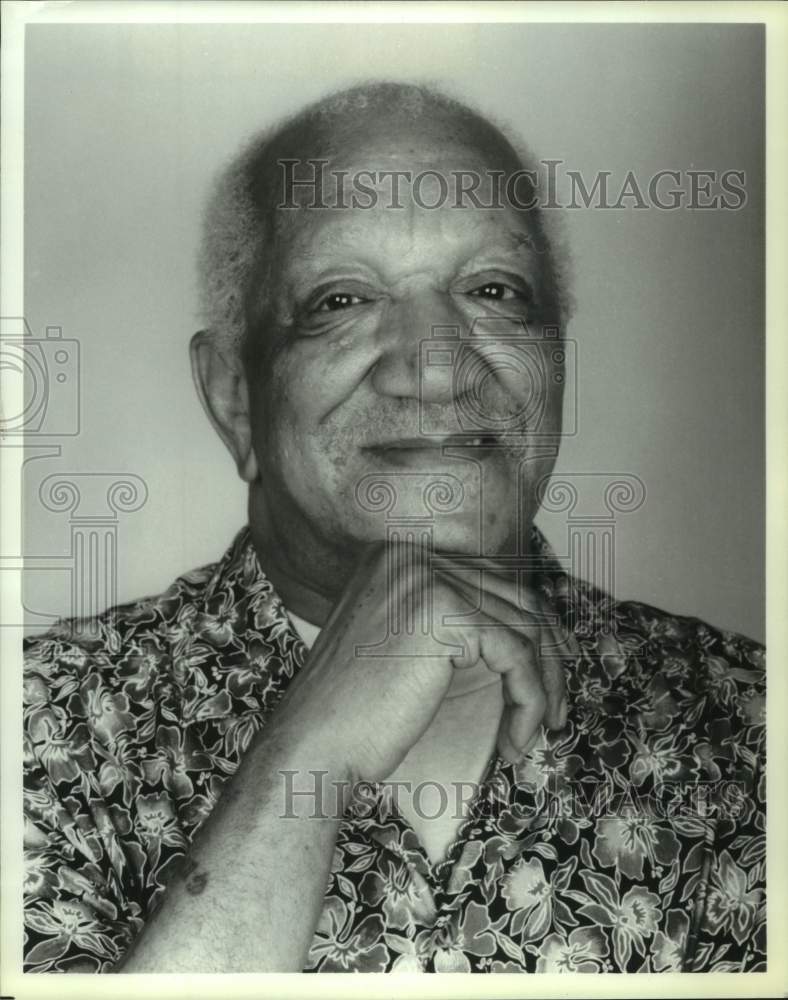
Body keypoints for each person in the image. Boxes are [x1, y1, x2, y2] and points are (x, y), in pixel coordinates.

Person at [23, 82, 765, 974]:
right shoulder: (38, 728)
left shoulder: (750, 726)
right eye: (342, 299)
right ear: (237, 399)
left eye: (493, 290)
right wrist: (312, 755)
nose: (438, 368)